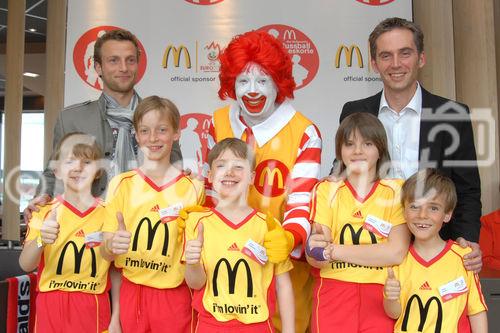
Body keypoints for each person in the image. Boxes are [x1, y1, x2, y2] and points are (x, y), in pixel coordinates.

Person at [336, 17, 482, 271]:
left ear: (420, 58)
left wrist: (467, 239)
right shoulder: (355, 111)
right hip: (373, 246)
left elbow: (467, 189)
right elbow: (344, 174)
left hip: (436, 247)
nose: (396, 64)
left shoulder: (452, 114)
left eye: (405, 53)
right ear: (373, 63)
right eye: (385, 55)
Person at [206, 30, 321, 332]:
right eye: (243, 81)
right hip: (225, 269)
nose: (252, 90)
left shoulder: (304, 132)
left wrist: (289, 238)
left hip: (282, 269)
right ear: (231, 84)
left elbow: (301, 201)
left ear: (278, 84)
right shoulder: (216, 123)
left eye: (263, 80)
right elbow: (209, 194)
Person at [25, 28, 182, 219]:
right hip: (90, 226)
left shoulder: (160, 116)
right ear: (98, 67)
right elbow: (54, 171)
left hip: (149, 224)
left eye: (130, 60)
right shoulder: (72, 119)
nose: (123, 68)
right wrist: (41, 196)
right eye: (113, 60)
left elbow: (175, 167)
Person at [101, 96, 204, 333]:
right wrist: (111, 245)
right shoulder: (120, 184)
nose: (153, 138)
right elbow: (105, 253)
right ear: (136, 135)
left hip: (175, 297)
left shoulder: (193, 188)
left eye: (162, 130)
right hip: (132, 292)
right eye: (145, 131)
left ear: (176, 133)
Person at [307, 112, 409, 332]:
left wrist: (333, 251)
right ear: (339, 150)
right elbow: (316, 256)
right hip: (332, 292)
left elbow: (396, 252)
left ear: (380, 148)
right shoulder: (326, 190)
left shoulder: (396, 190)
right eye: (349, 144)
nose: (358, 151)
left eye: (368, 143)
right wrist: (323, 252)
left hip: (382, 293)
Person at [184, 138, 295, 333]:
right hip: (211, 326)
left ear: (252, 177)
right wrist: (192, 262)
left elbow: (283, 285)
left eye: (238, 166)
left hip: (257, 326)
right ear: (209, 175)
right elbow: (195, 283)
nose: (229, 172)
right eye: (221, 165)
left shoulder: (269, 225)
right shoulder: (197, 222)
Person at [19, 132, 112, 332]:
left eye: (86, 162)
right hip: (51, 304)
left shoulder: (108, 213)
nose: (78, 168)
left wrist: (117, 319)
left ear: (97, 171)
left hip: (93, 305)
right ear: (57, 170)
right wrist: (41, 240)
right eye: (70, 161)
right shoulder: (43, 211)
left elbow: (116, 270)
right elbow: (26, 264)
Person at [384, 168, 488, 332]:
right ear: (404, 212)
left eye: (433, 208)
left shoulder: (463, 257)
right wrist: (390, 298)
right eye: (414, 206)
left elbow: (476, 311)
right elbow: (394, 313)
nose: (422, 215)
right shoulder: (398, 259)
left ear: (447, 214)